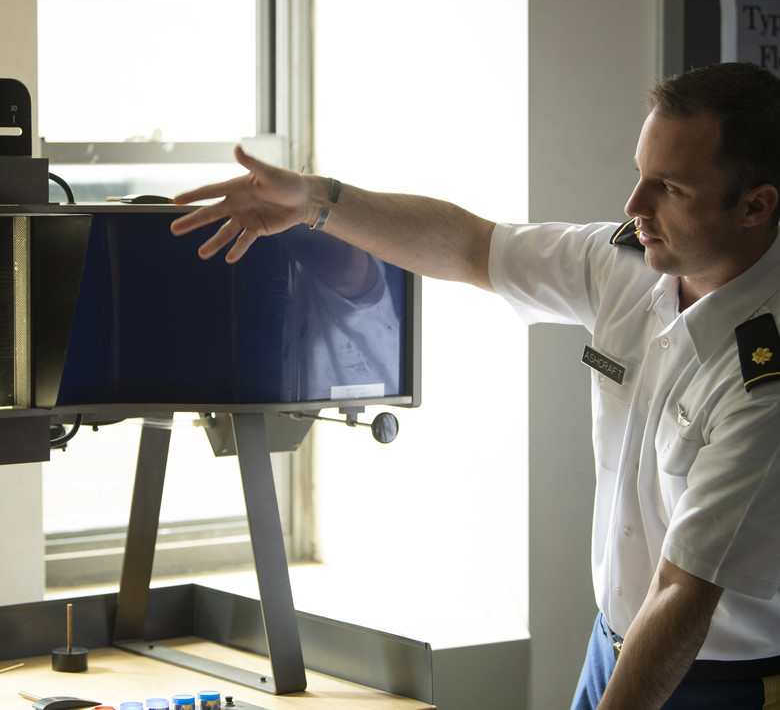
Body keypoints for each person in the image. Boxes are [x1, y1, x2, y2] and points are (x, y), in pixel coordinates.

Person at [170, 61, 780, 709]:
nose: (633, 207)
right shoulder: (629, 263)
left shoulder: (761, 377)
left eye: (670, 188)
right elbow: (470, 246)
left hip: (718, 682)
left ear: (755, 205)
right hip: (615, 646)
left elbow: (685, 593)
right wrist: (314, 203)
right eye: (638, 175)